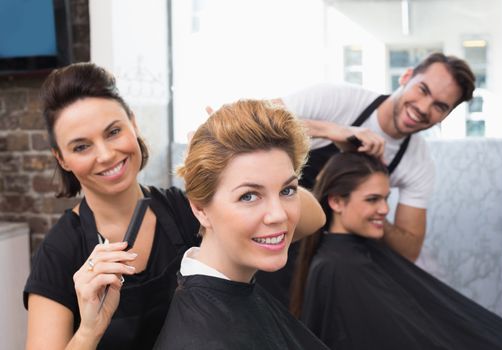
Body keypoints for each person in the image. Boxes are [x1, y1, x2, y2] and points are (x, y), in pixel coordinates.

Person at [23, 63, 325, 350]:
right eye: (81, 146)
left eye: (114, 131)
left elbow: (310, 220)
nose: (105, 154)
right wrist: (89, 331)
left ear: (133, 123)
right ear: (61, 158)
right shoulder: (59, 254)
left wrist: (236, 161)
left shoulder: (182, 209)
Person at [256, 52, 476, 307]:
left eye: (440, 106)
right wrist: (333, 130)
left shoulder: (417, 163)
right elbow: (249, 120)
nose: (424, 108)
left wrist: (371, 208)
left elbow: (408, 249)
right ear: (406, 77)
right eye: (423, 90)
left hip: (318, 253)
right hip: (268, 224)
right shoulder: (336, 99)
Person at [290, 151, 502, 350]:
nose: (384, 209)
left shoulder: (355, 255)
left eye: (386, 198)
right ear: (337, 202)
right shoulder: (337, 268)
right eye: (372, 199)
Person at [154, 100, 329, 349]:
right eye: (248, 196)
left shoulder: (231, 284)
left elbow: (316, 218)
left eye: (287, 190)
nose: (278, 215)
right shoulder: (202, 338)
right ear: (200, 209)